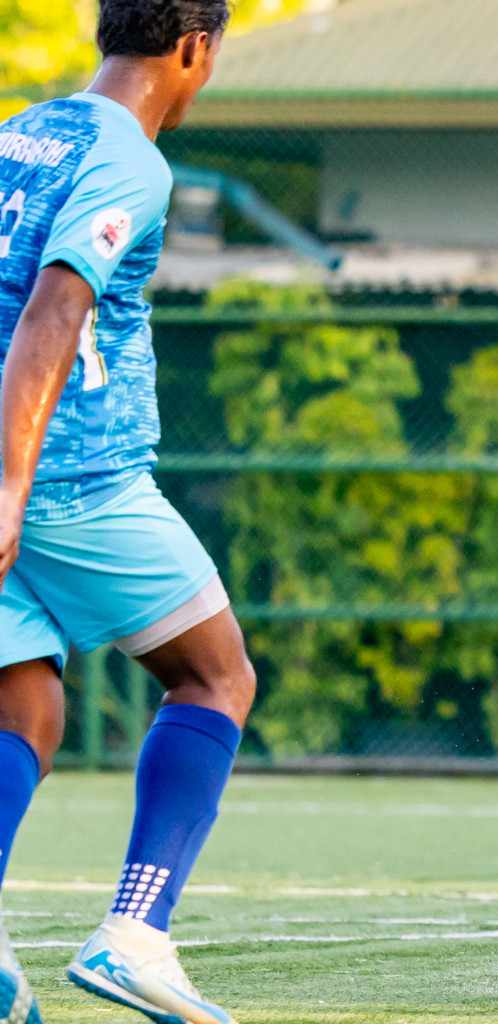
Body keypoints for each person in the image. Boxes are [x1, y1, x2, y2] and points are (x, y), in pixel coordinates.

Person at [0, 3, 251, 1022]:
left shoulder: (21, 128)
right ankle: (135, 933)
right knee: (216, 673)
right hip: (67, 478)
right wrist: (10, 488)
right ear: (195, 47)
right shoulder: (132, 161)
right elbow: (58, 305)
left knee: (24, 708)